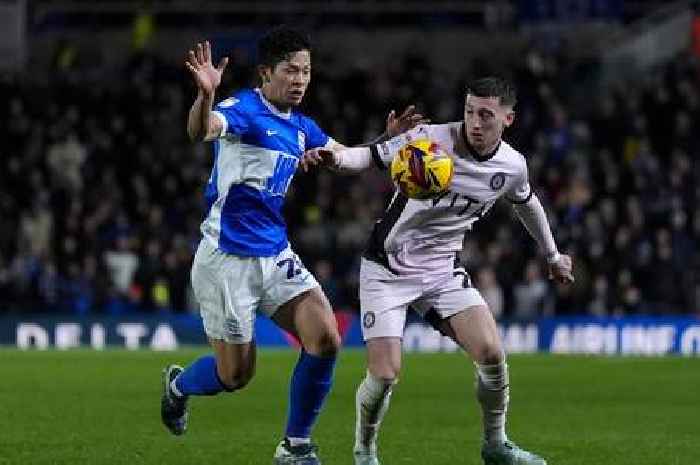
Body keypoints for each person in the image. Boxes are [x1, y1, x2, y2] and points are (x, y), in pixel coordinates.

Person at [160, 26, 426, 465]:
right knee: (235, 375)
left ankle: (295, 445)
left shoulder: (303, 127)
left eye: (306, 71)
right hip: (227, 260)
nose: (300, 79)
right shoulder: (243, 109)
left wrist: (386, 143)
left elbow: (346, 159)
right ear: (266, 73)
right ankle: (178, 387)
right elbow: (200, 130)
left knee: (325, 339)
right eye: (291, 70)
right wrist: (205, 94)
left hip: (275, 254)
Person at [302, 77, 574, 465]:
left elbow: (526, 203)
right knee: (385, 376)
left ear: (508, 118)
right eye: (468, 112)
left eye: (486, 115)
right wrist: (335, 158)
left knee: (492, 355)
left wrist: (552, 255)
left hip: (442, 272)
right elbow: (370, 157)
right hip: (387, 269)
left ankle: (495, 445)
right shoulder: (428, 140)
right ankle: (364, 452)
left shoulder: (512, 166)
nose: (475, 123)